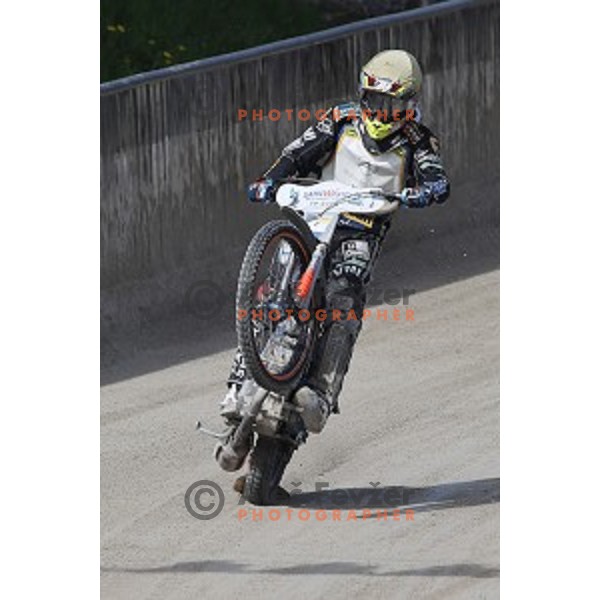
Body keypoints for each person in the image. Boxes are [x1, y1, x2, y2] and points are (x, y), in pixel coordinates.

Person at [220, 49, 450, 435]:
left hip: (362, 229)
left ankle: (322, 392)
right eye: (374, 99)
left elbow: (435, 178)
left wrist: (426, 191)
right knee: (272, 288)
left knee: (345, 296)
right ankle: (238, 379)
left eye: (390, 103)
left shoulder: (419, 139)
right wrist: (271, 179)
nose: (380, 110)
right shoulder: (340, 118)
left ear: (409, 103)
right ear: (363, 94)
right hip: (315, 215)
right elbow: (297, 152)